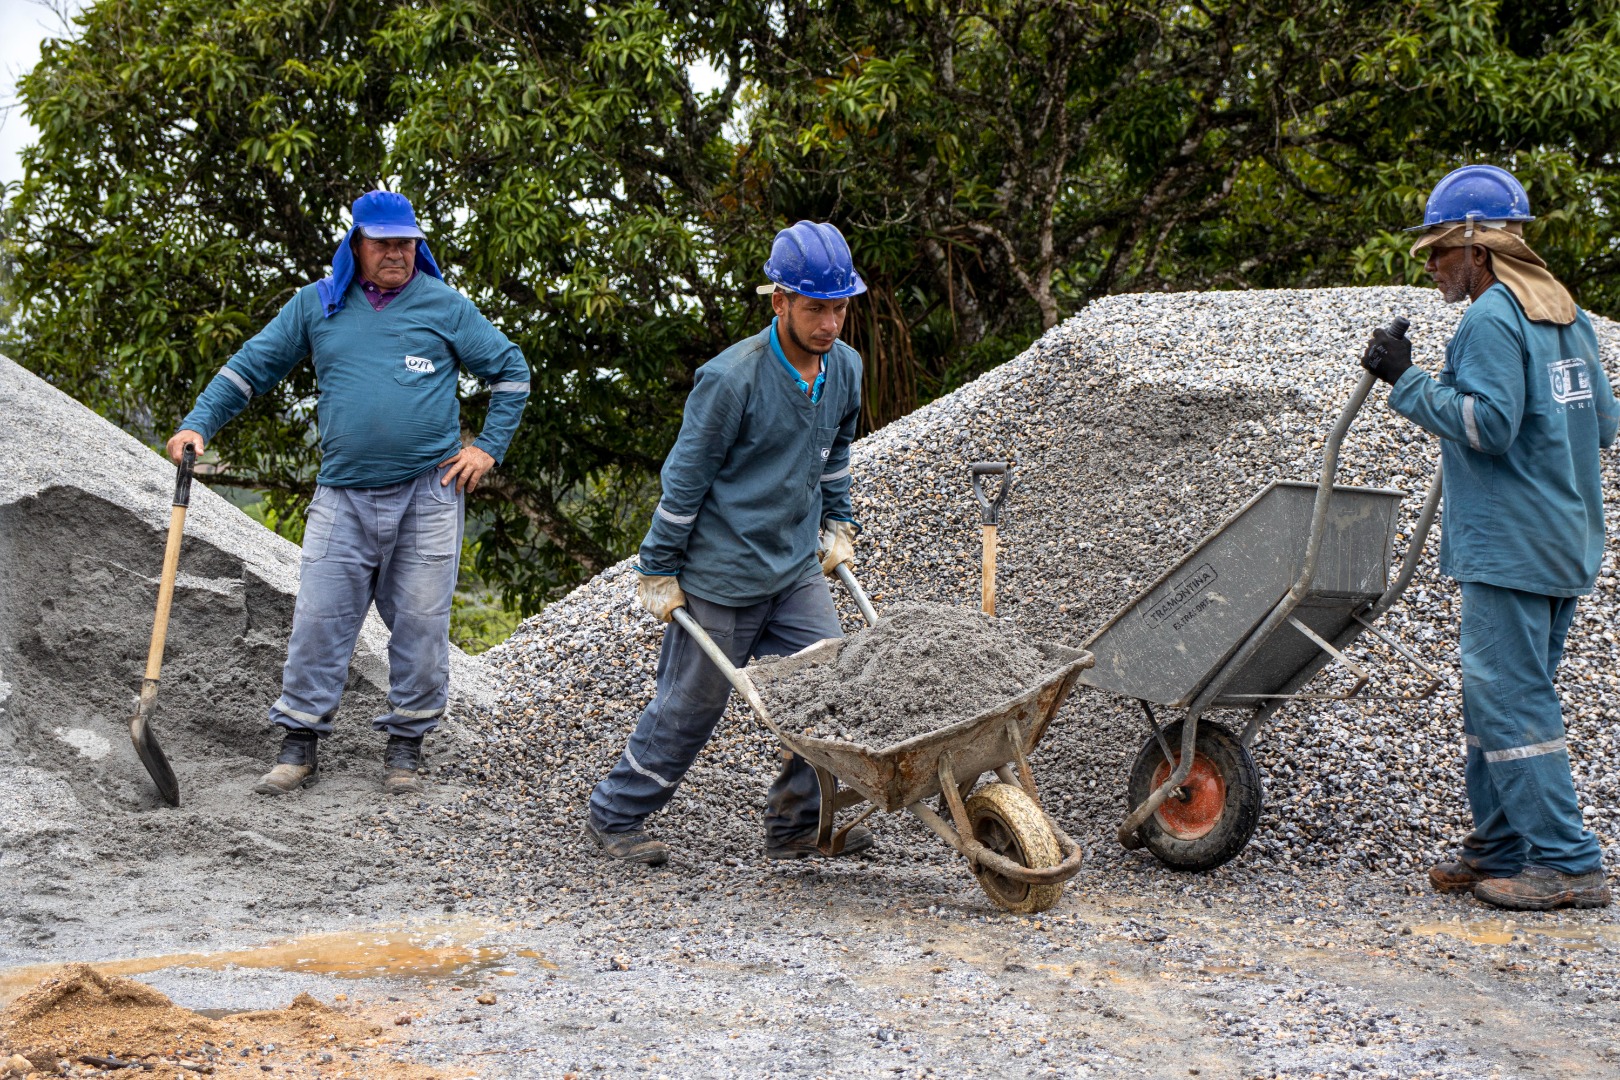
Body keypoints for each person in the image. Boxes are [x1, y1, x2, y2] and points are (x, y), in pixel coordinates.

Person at [166, 190, 530, 796]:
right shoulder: (317, 304)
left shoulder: (443, 305)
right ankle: (299, 745)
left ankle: (406, 748)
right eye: (384, 242)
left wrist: (488, 447)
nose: (397, 253)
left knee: (419, 623)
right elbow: (251, 367)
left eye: (407, 242)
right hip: (342, 495)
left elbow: (511, 370)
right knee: (318, 619)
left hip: (428, 493)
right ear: (355, 244)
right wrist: (199, 422)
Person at [1360, 164, 1618, 910]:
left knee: (1511, 704)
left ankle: (1568, 864)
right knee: (1497, 700)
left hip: (1511, 545)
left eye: (1441, 250)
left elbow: (1488, 426)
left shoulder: (1492, 319)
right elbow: (1602, 424)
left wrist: (1406, 381)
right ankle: (1500, 845)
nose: (1433, 265)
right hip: (1564, 537)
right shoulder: (1566, 313)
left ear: (1478, 246)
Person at [585, 221, 871, 866]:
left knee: (834, 690)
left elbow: (836, 452)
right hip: (722, 574)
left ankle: (798, 827)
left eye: (840, 307)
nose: (830, 324)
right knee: (691, 706)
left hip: (795, 568)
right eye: (815, 308)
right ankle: (616, 815)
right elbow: (685, 482)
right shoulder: (731, 379)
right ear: (780, 302)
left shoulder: (845, 368)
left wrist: (839, 522)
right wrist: (658, 567)